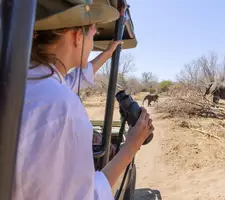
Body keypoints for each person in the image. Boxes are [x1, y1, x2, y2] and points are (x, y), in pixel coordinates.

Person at [13, 1, 154, 200]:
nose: (93, 40)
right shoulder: (62, 107)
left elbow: (72, 80)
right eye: (92, 34)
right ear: (77, 36)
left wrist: (106, 53)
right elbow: (87, 196)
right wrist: (131, 146)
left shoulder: (23, 82)